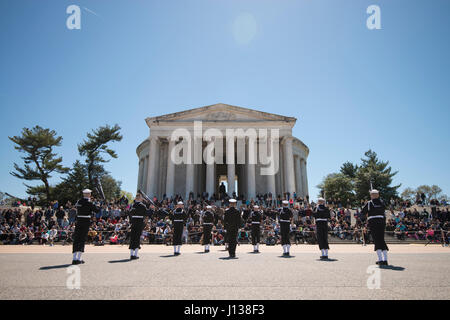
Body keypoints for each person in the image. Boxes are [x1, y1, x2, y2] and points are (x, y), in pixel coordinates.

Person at [71, 189, 100, 265]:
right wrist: (98, 205)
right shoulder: (89, 202)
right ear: (89, 194)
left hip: (78, 220)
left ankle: (74, 258)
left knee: (77, 238)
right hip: (86, 220)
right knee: (82, 238)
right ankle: (79, 258)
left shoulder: (79, 201)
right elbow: (96, 210)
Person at [361, 189, 389, 266]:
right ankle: (385, 259)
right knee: (381, 239)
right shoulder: (382, 202)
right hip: (381, 222)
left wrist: (364, 219)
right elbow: (383, 210)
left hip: (373, 222)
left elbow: (363, 213)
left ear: (372, 195)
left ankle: (380, 259)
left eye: (371, 195)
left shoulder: (369, 203)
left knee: (376, 240)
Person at [128, 193, 152, 260]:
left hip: (134, 221)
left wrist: (131, 222)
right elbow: (147, 213)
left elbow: (129, 213)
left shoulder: (132, 205)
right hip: (139, 222)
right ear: (141, 199)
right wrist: (151, 208)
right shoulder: (142, 205)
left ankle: (131, 254)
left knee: (133, 237)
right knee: (137, 237)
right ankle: (135, 255)